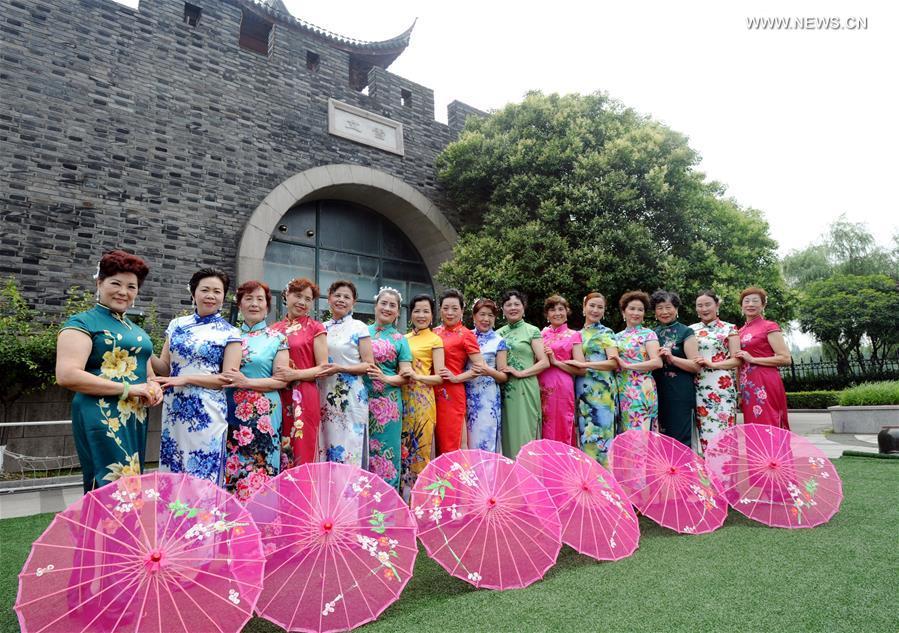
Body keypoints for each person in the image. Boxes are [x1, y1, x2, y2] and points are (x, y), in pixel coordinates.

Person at [56, 250, 162, 492]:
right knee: (109, 484)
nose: (123, 292)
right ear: (99, 283)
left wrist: (154, 386)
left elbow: (148, 374)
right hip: (101, 412)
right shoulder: (82, 323)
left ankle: (120, 521)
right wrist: (129, 389)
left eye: (131, 287)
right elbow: (67, 374)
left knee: (131, 483)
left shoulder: (135, 330)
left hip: (134, 415)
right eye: (116, 283)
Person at [152, 268, 242, 484]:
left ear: (223, 297)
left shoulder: (230, 332)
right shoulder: (176, 325)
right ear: (193, 293)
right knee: (174, 470)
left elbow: (228, 379)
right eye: (205, 290)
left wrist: (186, 379)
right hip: (174, 408)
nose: (211, 296)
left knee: (202, 475)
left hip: (207, 411)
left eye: (217, 291)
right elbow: (164, 368)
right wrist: (143, 350)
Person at [223, 281, 289, 501]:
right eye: (248, 299)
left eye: (260, 299)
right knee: (231, 466)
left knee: (262, 467)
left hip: (264, 414)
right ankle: (233, 518)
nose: (254, 304)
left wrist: (246, 382)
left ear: (267, 306)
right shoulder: (228, 335)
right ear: (239, 304)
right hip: (230, 410)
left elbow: (281, 380)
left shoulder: (277, 338)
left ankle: (263, 518)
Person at [270, 277, 328, 468]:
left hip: (304, 394)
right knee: (279, 446)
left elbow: (323, 368)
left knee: (303, 448)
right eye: (297, 296)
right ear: (286, 295)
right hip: (278, 395)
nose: (302, 302)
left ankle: (304, 487)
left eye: (308, 299)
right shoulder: (273, 330)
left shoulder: (316, 328)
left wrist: (295, 375)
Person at [317, 280, 374, 466]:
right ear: (329, 298)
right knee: (325, 445)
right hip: (324, 394)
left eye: (346, 297)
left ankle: (349, 486)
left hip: (350, 398)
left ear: (353, 302)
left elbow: (369, 365)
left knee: (350, 447)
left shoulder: (359, 327)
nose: (341, 300)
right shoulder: (320, 328)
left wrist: (341, 368)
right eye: (337, 295)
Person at [364, 287, 412, 489]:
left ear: (398, 312)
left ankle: (386, 499)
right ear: (375, 306)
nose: (387, 308)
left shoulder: (400, 340)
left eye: (392, 305)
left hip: (388, 404)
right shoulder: (361, 332)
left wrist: (385, 378)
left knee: (387, 450)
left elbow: (406, 375)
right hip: (361, 398)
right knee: (361, 447)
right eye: (383, 303)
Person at [565, 292, 619, 465]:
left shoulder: (606, 332)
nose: (595, 310)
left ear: (604, 311)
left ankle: (604, 479)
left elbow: (614, 363)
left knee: (603, 439)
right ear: (584, 308)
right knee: (585, 436)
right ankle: (589, 478)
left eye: (600, 307)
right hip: (583, 392)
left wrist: (585, 365)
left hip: (602, 393)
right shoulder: (576, 334)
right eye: (592, 306)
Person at [400, 294, 445, 498]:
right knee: (402, 448)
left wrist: (417, 376)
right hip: (401, 397)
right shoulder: (403, 338)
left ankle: (419, 499)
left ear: (432, 315)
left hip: (422, 400)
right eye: (417, 311)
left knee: (420, 448)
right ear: (410, 314)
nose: (421, 315)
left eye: (426, 311)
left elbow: (440, 377)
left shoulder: (435, 339)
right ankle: (402, 498)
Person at [497, 290, 549, 458]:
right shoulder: (498, 334)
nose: (513, 308)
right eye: (508, 305)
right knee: (507, 434)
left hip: (525, 386)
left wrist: (520, 373)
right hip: (505, 390)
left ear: (523, 308)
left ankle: (528, 472)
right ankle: (510, 472)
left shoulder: (532, 331)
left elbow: (544, 362)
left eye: (516, 304)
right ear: (503, 310)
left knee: (526, 432)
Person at [689, 290, 741, 454]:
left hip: (721, 386)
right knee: (705, 431)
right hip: (698, 386)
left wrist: (712, 364)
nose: (704, 309)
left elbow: (737, 360)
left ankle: (726, 468)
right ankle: (709, 467)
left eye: (708, 304)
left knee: (724, 432)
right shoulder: (690, 330)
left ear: (717, 305)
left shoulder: (729, 329)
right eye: (700, 305)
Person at [434, 289, 484, 455]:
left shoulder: (466, 334)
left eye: (455, 308)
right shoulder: (434, 332)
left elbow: (479, 366)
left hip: (451, 393)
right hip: (430, 390)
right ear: (440, 310)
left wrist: (456, 378)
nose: (450, 313)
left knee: (450, 443)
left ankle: (453, 473)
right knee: (433, 442)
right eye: (446, 308)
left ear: (462, 311)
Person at [736, 286, 791, 428]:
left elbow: (785, 358)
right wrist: (739, 392)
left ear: (763, 305)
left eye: (755, 301)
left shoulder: (769, 326)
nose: (750, 304)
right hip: (747, 385)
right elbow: (738, 364)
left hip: (765, 381)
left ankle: (774, 444)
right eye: (746, 301)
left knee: (770, 420)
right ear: (741, 306)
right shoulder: (738, 332)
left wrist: (753, 359)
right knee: (753, 426)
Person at [651, 290, 700, 447]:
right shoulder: (652, 334)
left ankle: (684, 464)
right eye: (659, 308)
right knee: (661, 437)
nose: (664, 312)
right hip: (657, 390)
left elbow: (695, 366)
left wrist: (672, 358)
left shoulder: (686, 332)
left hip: (680, 391)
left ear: (676, 309)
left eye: (668, 307)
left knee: (680, 438)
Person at [539, 295, 584, 445]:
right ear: (547, 314)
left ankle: (562, 458)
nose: (557, 313)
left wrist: (556, 362)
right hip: (540, 384)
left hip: (561, 385)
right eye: (552, 310)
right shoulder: (540, 334)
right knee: (543, 425)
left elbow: (581, 368)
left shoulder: (574, 335)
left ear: (567, 312)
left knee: (562, 424)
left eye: (561, 309)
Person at [465, 298, 509, 452]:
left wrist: (488, 371)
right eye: (482, 314)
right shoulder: (466, 335)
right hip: (465, 392)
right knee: (465, 440)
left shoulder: (499, 341)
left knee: (485, 439)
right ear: (474, 316)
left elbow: (503, 376)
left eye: (490, 315)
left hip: (487, 398)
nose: (486, 319)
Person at [615, 290, 662, 432]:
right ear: (623, 312)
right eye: (632, 309)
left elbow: (657, 362)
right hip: (621, 388)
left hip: (641, 389)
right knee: (624, 433)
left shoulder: (648, 334)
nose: (636, 313)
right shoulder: (616, 337)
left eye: (640, 310)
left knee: (640, 433)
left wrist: (627, 366)